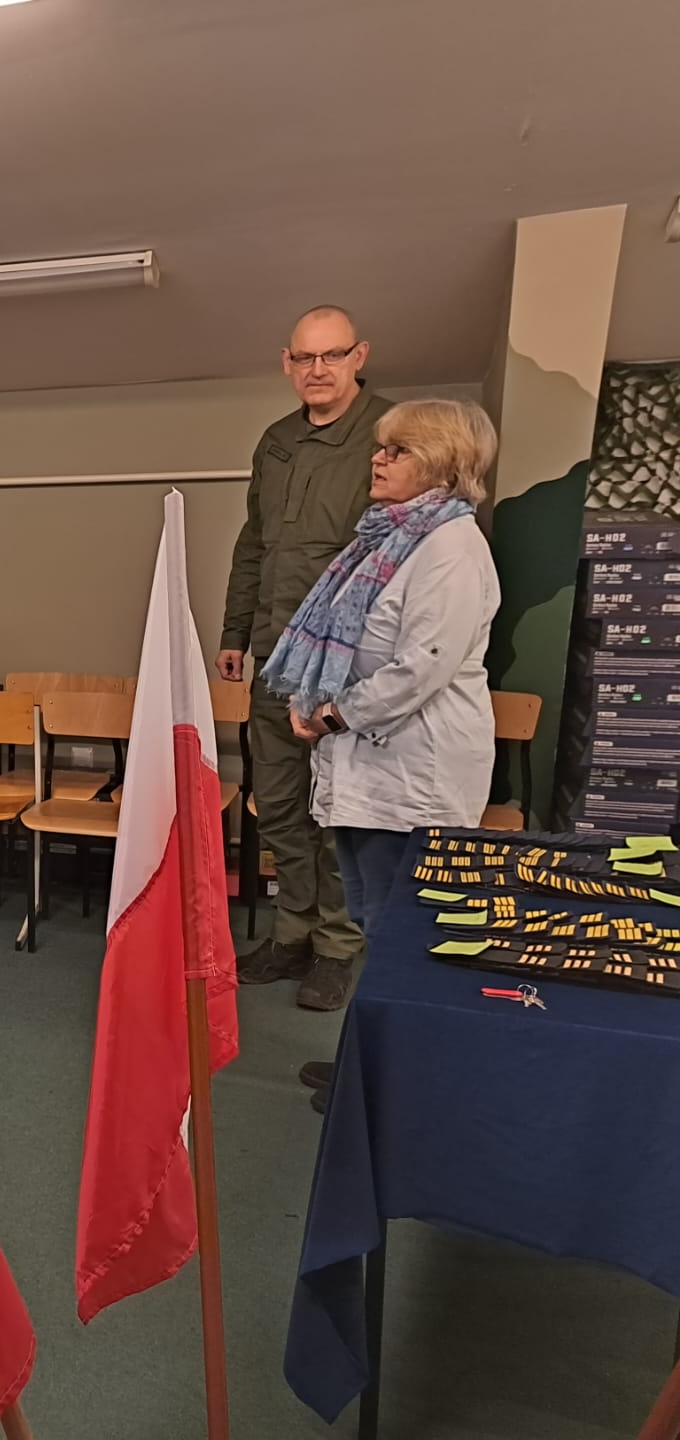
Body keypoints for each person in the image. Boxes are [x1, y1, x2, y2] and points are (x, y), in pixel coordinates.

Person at [267, 399, 501, 1110]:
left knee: (406, 937)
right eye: (382, 446)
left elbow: (420, 666)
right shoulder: (390, 537)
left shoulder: (451, 549)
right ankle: (368, 1069)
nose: (378, 458)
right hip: (368, 766)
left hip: (412, 774)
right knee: (378, 928)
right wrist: (315, 699)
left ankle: (401, 1084)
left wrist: (334, 713)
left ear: (439, 463)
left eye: (397, 450)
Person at [219, 306, 392, 1013]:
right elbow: (254, 545)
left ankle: (336, 946)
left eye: (332, 355)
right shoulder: (277, 441)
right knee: (281, 805)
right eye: (304, 358)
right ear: (287, 364)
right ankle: (291, 933)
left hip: (345, 666)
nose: (317, 370)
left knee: (337, 810)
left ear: (359, 356)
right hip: (275, 656)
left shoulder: (388, 436)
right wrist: (235, 632)